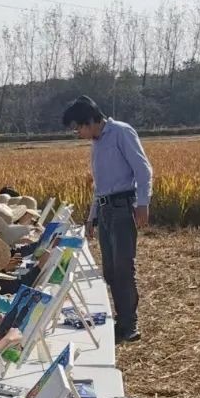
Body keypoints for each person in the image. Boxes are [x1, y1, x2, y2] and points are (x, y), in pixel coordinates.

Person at [61, 95, 152, 344]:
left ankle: (129, 324)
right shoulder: (97, 143)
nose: (78, 133)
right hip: (105, 210)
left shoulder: (121, 133)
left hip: (123, 208)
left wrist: (142, 203)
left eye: (78, 127)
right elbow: (100, 186)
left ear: (91, 120)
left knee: (124, 268)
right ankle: (120, 319)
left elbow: (143, 170)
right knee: (110, 270)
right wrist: (92, 217)